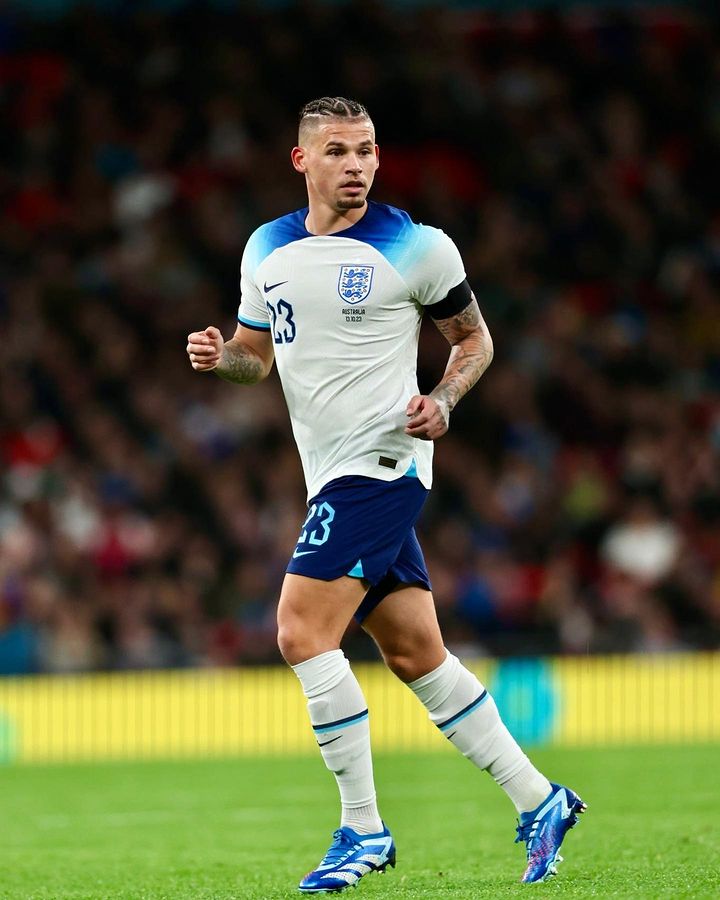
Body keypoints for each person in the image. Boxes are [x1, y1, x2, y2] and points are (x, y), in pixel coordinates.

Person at [187, 96, 586, 891]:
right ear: (302, 160)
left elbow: (474, 339)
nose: (357, 165)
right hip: (328, 469)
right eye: (338, 150)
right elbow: (254, 359)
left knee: (301, 631)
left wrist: (443, 400)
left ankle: (362, 829)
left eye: (367, 150)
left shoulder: (417, 247)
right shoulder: (266, 248)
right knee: (414, 654)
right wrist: (217, 355)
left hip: (382, 462)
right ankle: (540, 799)